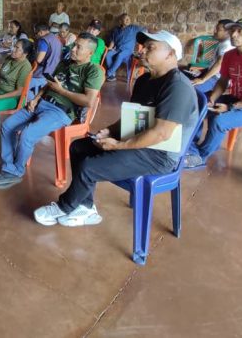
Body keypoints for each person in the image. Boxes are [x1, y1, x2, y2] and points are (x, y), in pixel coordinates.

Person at [33, 30, 198, 228]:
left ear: (170, 54)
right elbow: (133, 117)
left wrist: (119, 145)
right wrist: (110, 131)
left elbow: (161, 134)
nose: (142, 51)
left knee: (89, 167)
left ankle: (65, 206)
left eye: (150, 48)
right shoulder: (144, 80)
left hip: (159, 155)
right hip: (140, 140)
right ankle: (86, 207)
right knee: (79, 147)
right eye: (143, 47)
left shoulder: (177, 86)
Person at [0, 33, 104, 189]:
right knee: (7, 126)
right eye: (74, 45)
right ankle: (9, 168)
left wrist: (61, 91)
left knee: (27, 134)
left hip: (60, 111)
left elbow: (88, 101)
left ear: (90, 52)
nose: (73, 49)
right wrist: (35, 99)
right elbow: (49, 84)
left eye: (78, 47)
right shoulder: (65, 63)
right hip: (41, 103)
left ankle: (16, 172)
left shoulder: (93, 71)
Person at [185, 17, 242, 168]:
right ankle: (192, 148)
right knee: (198, 105)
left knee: (220, 122)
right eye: (233, 30)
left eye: (240, 31)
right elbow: (223, 81)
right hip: (238, 97)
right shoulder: (230, 55)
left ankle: (201, 157)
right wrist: (212, 98)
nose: (234, 34)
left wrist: (231, 107)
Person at [186, 19, 234, 94]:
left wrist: (202, 79)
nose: (215, 31)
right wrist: (202, 71)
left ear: (228, 32)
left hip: (216, 78)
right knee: (187, 78)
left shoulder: (226, 45)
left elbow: (219, 64)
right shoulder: (222, 43)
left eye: (218, 30)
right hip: (212, 74)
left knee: (191, 90)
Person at [104, 13, 143, 81]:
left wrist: (152, 30)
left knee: (120, 55)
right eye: (126, 19)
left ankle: (108, 74)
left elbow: (145, 29)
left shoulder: (133, 28)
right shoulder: (116, 30)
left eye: (129, 19)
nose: (128, 20)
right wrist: (110, 48)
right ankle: (112, 75)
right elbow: (112, 41)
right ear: (121, 21)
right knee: (108, 54)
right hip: (117, 49)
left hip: (128, 50)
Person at [29, 23, 62, 98]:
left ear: (41, 32)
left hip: (43, 74)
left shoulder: (43, 40)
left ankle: (32, 100)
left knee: (22, 84)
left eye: (36, 33)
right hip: (54, 72)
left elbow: (39, 60)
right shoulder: (56, 38)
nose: (35, 36)